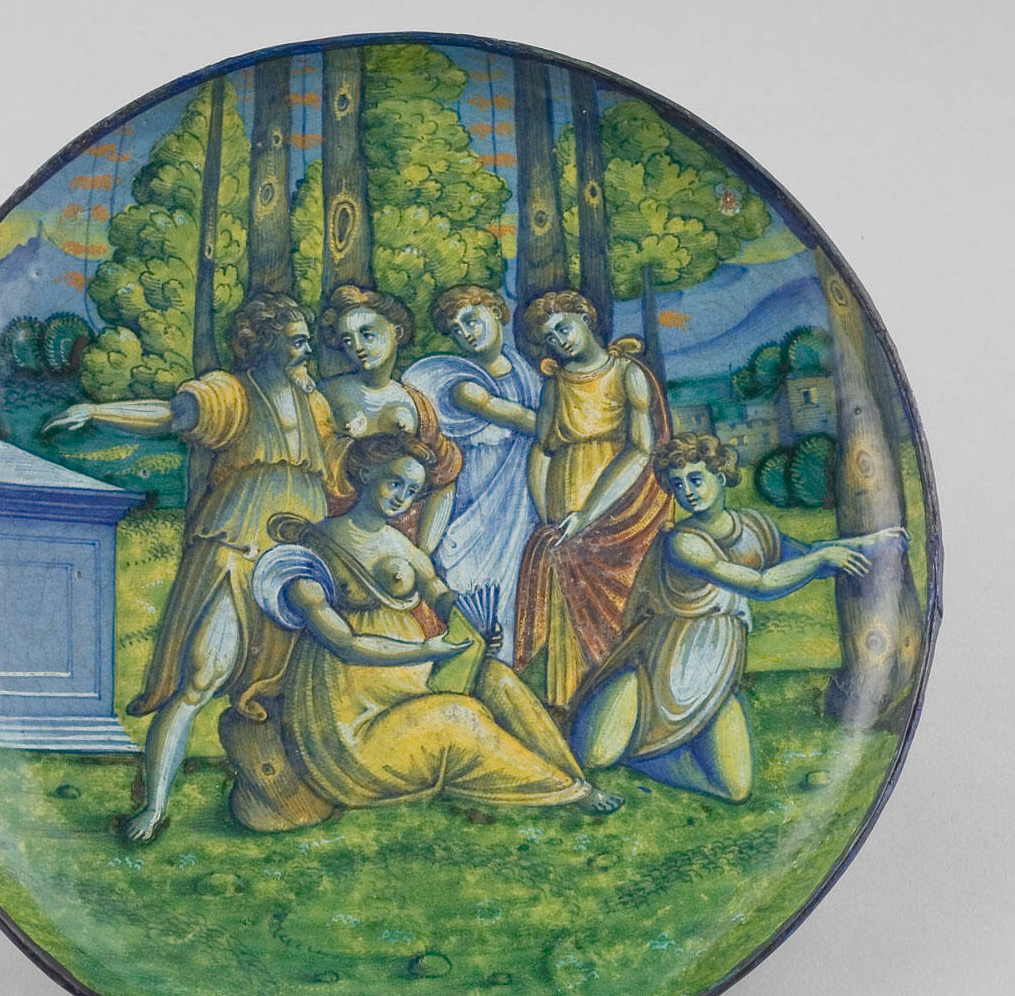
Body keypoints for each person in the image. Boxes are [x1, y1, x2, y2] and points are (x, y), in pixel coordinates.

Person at [42, 293, 347, 842]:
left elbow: (342, 466)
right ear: (264, 342)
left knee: (302, 681)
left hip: (301, 554)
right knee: (203, 675)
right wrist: (97, 412)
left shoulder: (316, 403)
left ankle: (291, 795)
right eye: (295, 339)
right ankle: (154, 806)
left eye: (306, 339)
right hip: (238, 542)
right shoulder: (230, 394)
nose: (306, 349)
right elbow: (170, 415)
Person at [252, 433, 624, 820]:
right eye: (395, 482)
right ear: (365, 473)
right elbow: (345, 643)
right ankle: (566, 791)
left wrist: (475, 629)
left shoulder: (404, 547)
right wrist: (426, 651)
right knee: (459, 715)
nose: (402, 497)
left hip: (405, 696)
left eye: (412, 491)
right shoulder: (319, 546)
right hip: (351, 732)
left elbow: (441, 596)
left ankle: (574, 777)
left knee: (496, 677)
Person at [569, 433, 909, 802]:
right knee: (595, 755)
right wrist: (819, 560)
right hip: (659, 675)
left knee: (735, 789)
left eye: (695, 479)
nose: (688, 492)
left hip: (714, 678)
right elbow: (762, 584)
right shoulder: (683, 542)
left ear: (720, 475)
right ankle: (635, 749)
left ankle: (646, 758)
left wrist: (872, 544)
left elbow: (806, 556)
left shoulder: (755, 527)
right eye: (678, 485)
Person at [514, 290, 673, 712]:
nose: (560, 341)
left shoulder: (627, 373)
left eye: (564, 328)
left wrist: (587, 513)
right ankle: (568, 705)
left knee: (619, 605)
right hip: (563, 511)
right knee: (567, 600)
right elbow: (542, 451)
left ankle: (623, 704)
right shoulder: (555, 386)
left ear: (586, 319)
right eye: (550, 338)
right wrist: (546, 516)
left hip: (618, 507)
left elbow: (641, 449)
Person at [400, 285, 540, 662]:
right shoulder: (462, 385)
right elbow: (529, 421)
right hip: (474, 514)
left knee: (517, 597)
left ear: (495, 311)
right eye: (456, 330)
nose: (467, 333)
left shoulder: (525, 371)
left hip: (520, 508)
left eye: (471, 320)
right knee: (476, 600)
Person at [318, 286, 461, 558]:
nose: (358, 346)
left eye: (367, 334)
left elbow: (444, 479)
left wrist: (422, 552)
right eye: (347, 340)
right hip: (335, 538)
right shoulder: (325, 396)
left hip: (399, 545)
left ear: (396, 332)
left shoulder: (417, 404)